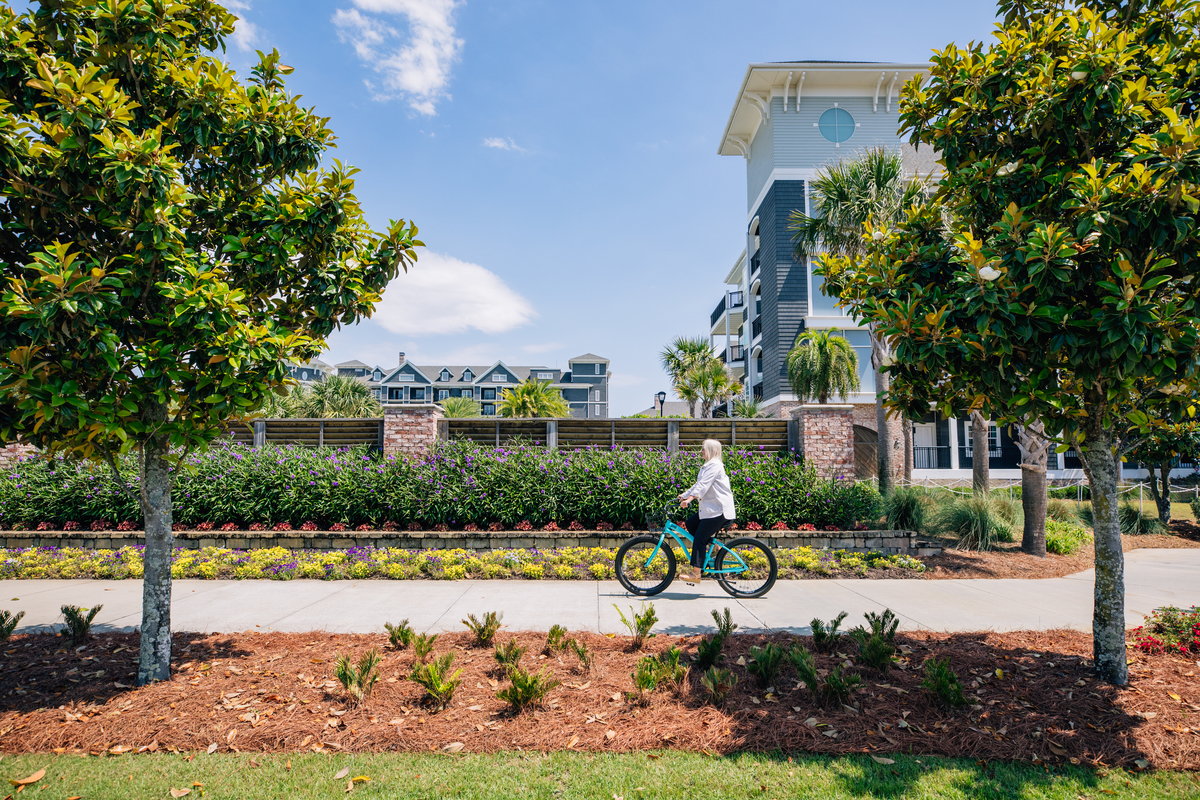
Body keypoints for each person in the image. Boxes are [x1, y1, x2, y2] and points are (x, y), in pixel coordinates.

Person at [677, 438, 735, 584]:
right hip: (711, 510)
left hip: (719, 510)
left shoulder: (715, 466)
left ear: (710, 450)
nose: (701, 451)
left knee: (700, 537)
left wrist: (689, 500)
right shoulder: (708, 466)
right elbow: (698, 484)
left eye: (703, 448)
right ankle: (712, 546)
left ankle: (696, 573)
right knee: (691, 524)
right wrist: (684, 495)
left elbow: (703, 486)